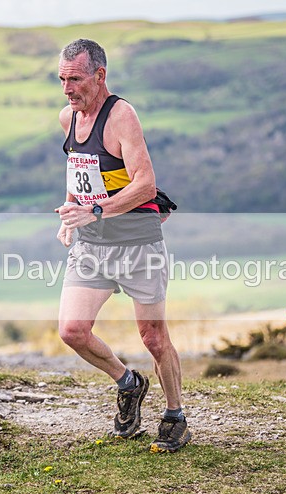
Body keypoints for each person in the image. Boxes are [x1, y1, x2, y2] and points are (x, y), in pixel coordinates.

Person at [54, 38, 190, 453]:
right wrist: (72, 210)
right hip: (93, 246)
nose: (67, 89)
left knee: (152, 337)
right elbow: (79, 168)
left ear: (100, 75)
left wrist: (95, 211)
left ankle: (175, 415)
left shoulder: (122, 116)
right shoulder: (67, 118)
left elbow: (144, 183)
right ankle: (127, 382)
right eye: (61, 79)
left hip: (137, 243)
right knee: (72, 331)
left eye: (75, 79)